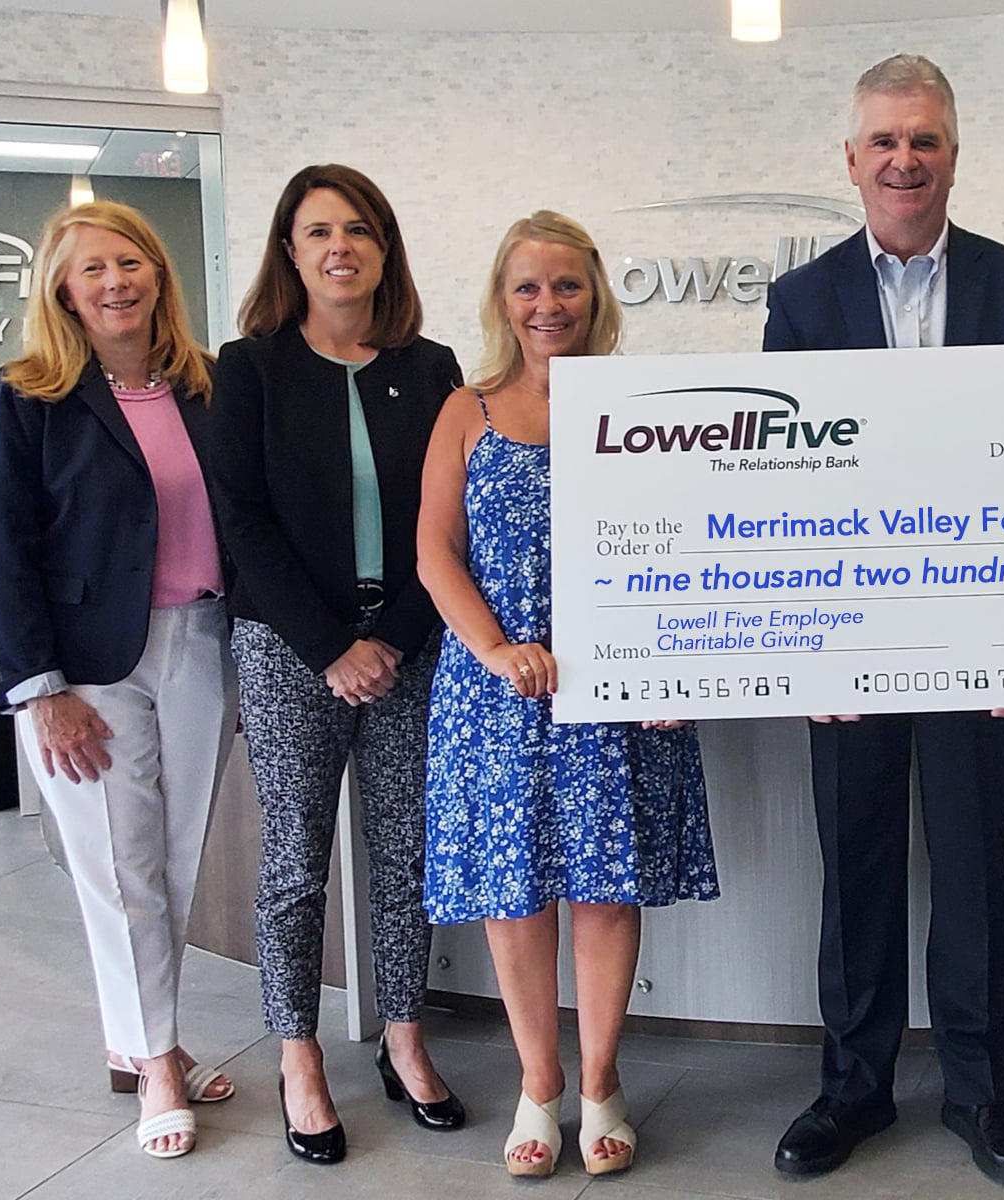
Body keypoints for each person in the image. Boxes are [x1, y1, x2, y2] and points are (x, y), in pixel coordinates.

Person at [762, 53, 1004, 1188]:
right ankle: (854, 1088)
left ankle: (983, 1095)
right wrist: (804, 650)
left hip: (981, 638)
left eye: (923, 139)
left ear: (953, 154)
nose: (904, 159)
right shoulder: (801, 302)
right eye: (884, 141)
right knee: (858, 865)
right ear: (851, 160)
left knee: (974, 866)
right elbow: (779, 484)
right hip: (849, 641)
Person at [416, 211, 718, 1179]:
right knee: (516, 897)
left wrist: (671, 666)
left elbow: (689, 540)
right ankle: (537, 1087)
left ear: (596, 294)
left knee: (605, 890)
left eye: (566, 285)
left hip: (616, 692)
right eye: (528, 287)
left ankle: (601, 1084)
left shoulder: (645, 404)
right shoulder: (467, 411)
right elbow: (434, 552)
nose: (548, 305)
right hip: (498, 691)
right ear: (503, 302)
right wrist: (497, 648)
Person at [209, 164, 466, 1165]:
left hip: (408, 644)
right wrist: (330, 647)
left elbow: (451, 521)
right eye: (318, 231)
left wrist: (391, 637)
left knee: (406, 856)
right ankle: (300, 1056)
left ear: (385, 248)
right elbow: (241, 520)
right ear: (290, 249)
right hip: (289, 649)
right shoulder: (250, 368)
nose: (339, 247)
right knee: (293, 863)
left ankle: (404, 1036)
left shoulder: (431, 368)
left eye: (358, 229)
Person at [0, 201, 235, 1159]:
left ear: (159, 273)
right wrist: (39, 688)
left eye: (130, 262)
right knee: (119, 871)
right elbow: (1, 548)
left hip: (201, 640)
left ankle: (142, 1037)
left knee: (174, 860)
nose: (115, 281)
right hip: (84, 669)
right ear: (63, 290)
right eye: (92, 269)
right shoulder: (30, 393)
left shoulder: (206, 384)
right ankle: (156, 1061)